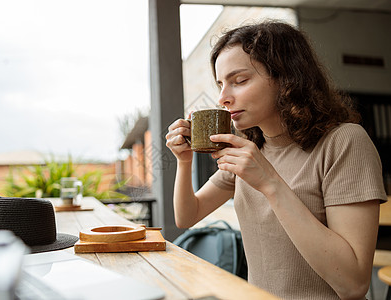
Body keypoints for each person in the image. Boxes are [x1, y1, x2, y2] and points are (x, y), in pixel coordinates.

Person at [165, 21, 387, 300]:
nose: (223, 98)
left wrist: (270, 183)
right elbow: (187, 216)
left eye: (240, 81)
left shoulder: (344, 142)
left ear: (286, 78)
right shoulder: (252, 149)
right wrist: (184, 163)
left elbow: (353, 284)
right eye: (221, 84)